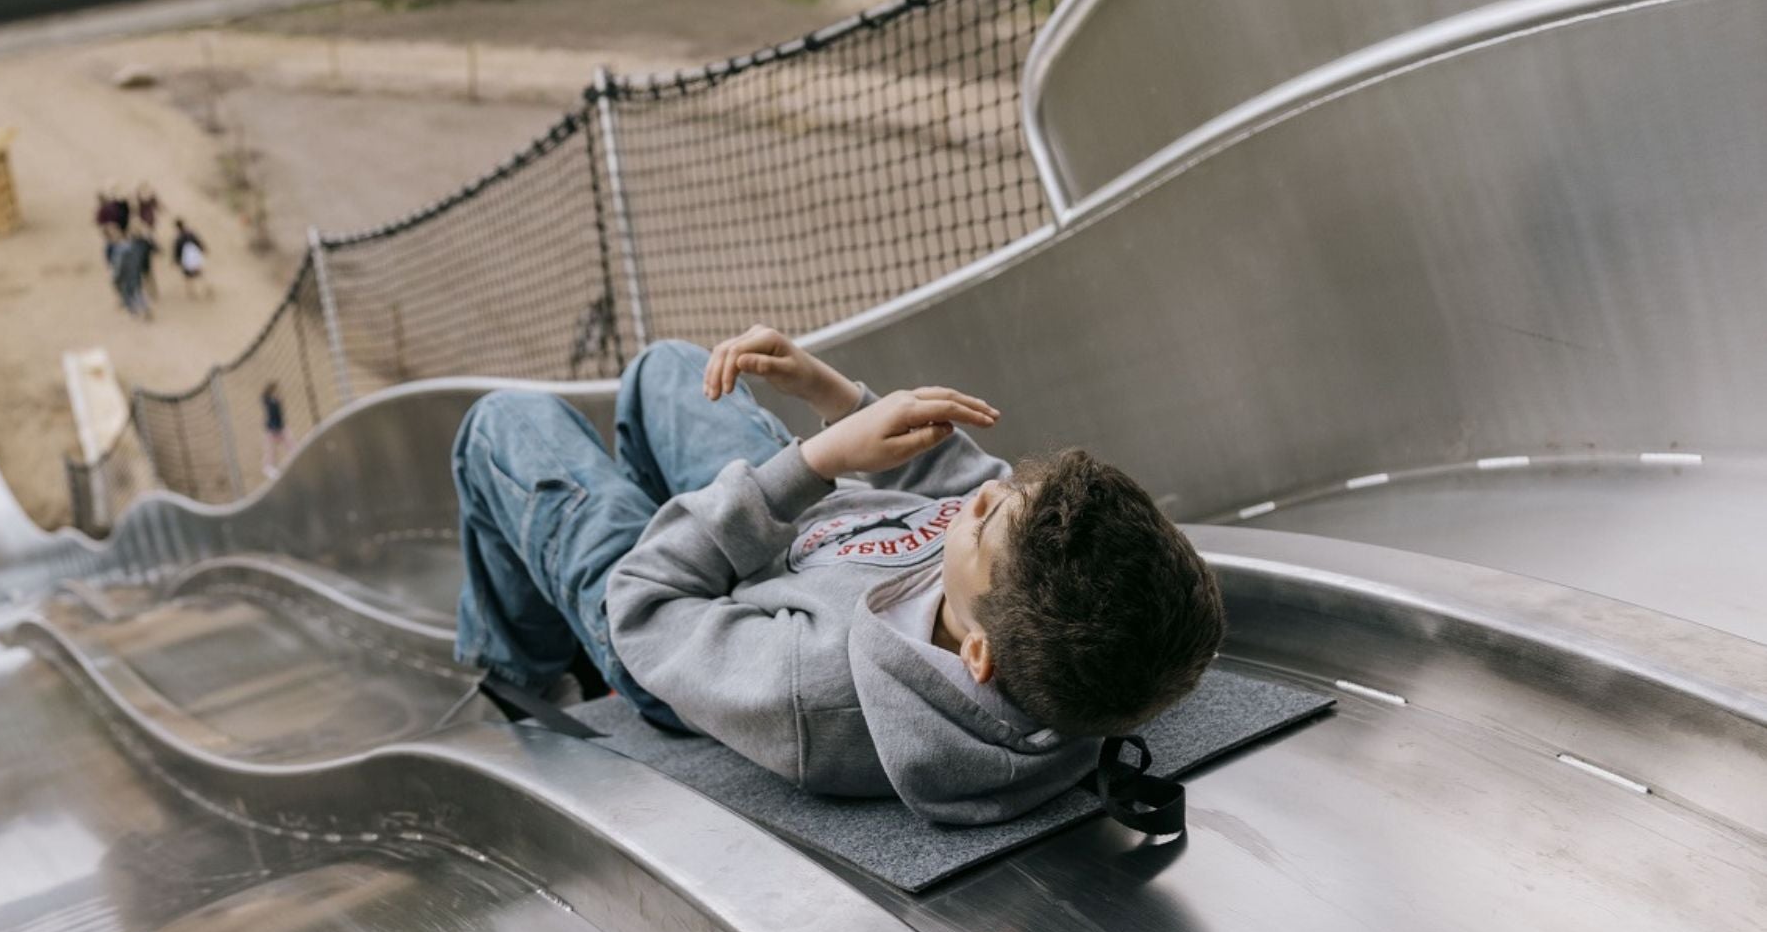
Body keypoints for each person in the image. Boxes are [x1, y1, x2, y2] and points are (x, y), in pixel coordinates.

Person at [451, 327, 1226, 825]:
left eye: (986, 517)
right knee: (671, 366)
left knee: (503, 425)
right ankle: (676, 508)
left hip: (681, 615)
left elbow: (646, 600)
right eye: (1011, 491)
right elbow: (968, 488)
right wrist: (833, 395)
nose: (983, 491)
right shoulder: (1046, 622)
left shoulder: (811, 692)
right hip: (796, 529)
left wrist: (816, 460)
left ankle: (520, 667)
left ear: (979, 655)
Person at [109, 227, 155, 319]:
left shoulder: (120, 251)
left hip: (126, 276)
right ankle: (144, 309)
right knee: (137, 292)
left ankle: (135, 311)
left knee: (130, 294)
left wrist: (116, 277)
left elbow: (119, 266)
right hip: (135, 274)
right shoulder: (133, 246)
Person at [172, 219, 208, 296]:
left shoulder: (179, 238)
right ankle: (204, 288)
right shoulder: (190, 233)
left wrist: (176, 259)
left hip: (186, 257)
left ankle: (191, 291)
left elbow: (177, 249)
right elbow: (198, 241)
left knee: (188, 275)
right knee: (198, 272)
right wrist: (203, 248)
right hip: (194, 255)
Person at [260, 382, 289, 477]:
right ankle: (268, 467)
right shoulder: (271, 403)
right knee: (271, 449)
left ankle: (269, 466)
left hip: (279, 428)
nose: (279, 392)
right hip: (274, 430)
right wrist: (275, 429)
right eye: (276, 390)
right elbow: (272, 417)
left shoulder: (274, 401)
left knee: (289, 443)